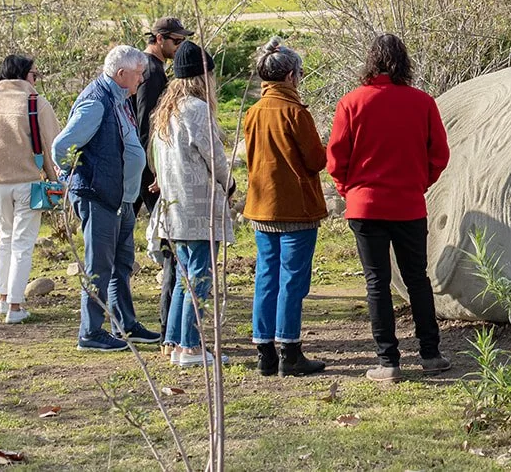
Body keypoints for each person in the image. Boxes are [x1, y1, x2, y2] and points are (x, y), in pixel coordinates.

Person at [328, 34, 451, 383]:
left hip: (365, 206)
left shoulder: (351, 103)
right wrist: (419, 182)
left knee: (376, 283)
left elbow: (336, 159)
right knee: (417, 279)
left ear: (371, 62)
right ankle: (431, 354)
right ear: (404, 63)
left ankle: (388, 361)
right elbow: (439, 154)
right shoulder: (422, 102)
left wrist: (348, 190)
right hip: (409, 204)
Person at [54, 45, 159, 352]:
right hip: (99, 195)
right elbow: (62, 146)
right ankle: (90, 332)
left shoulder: (118, 97)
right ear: (121, 74)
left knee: (122, 264)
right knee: (98, 266)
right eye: (138, 74)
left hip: (120, 198)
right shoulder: (97, 102)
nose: (141, 80)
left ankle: (125, 325)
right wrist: (71, 178)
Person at [243, 37, 328, 377]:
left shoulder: (252, 112)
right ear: (291, 76)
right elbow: (316, 160)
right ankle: (289, 351)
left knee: (267, 277)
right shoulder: (295, 112)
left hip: (262, 206)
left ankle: (264, 351)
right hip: (295, 208)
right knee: (293, 280)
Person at [150, 41, 234, 368]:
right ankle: (190, 346)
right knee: (199, 275)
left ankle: (174, 342)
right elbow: (214, 156)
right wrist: (229, 184)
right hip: (197, 206)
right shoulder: (196, 110)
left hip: (174, 207)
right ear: (204, 76)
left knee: (185, 274)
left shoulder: (166, 111)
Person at [0, 55, 61, 324]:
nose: (36, 80)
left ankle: (3, 298)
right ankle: (16, 304)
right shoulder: (35, 104)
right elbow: (51, 146)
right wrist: (56, 180)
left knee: (5, 239)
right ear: (24, 75)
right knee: (23, 243)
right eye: (35, 74)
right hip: (28, 182)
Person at [136, 17, 191, 333]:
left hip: (146, 166)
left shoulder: (151, 69)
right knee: (172, 247)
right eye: (176, 40)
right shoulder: (152, 73)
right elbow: (148, 125)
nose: (179, 45)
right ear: (159, 38)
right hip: (151, 171)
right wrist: (157, 171)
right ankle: (170, 324)